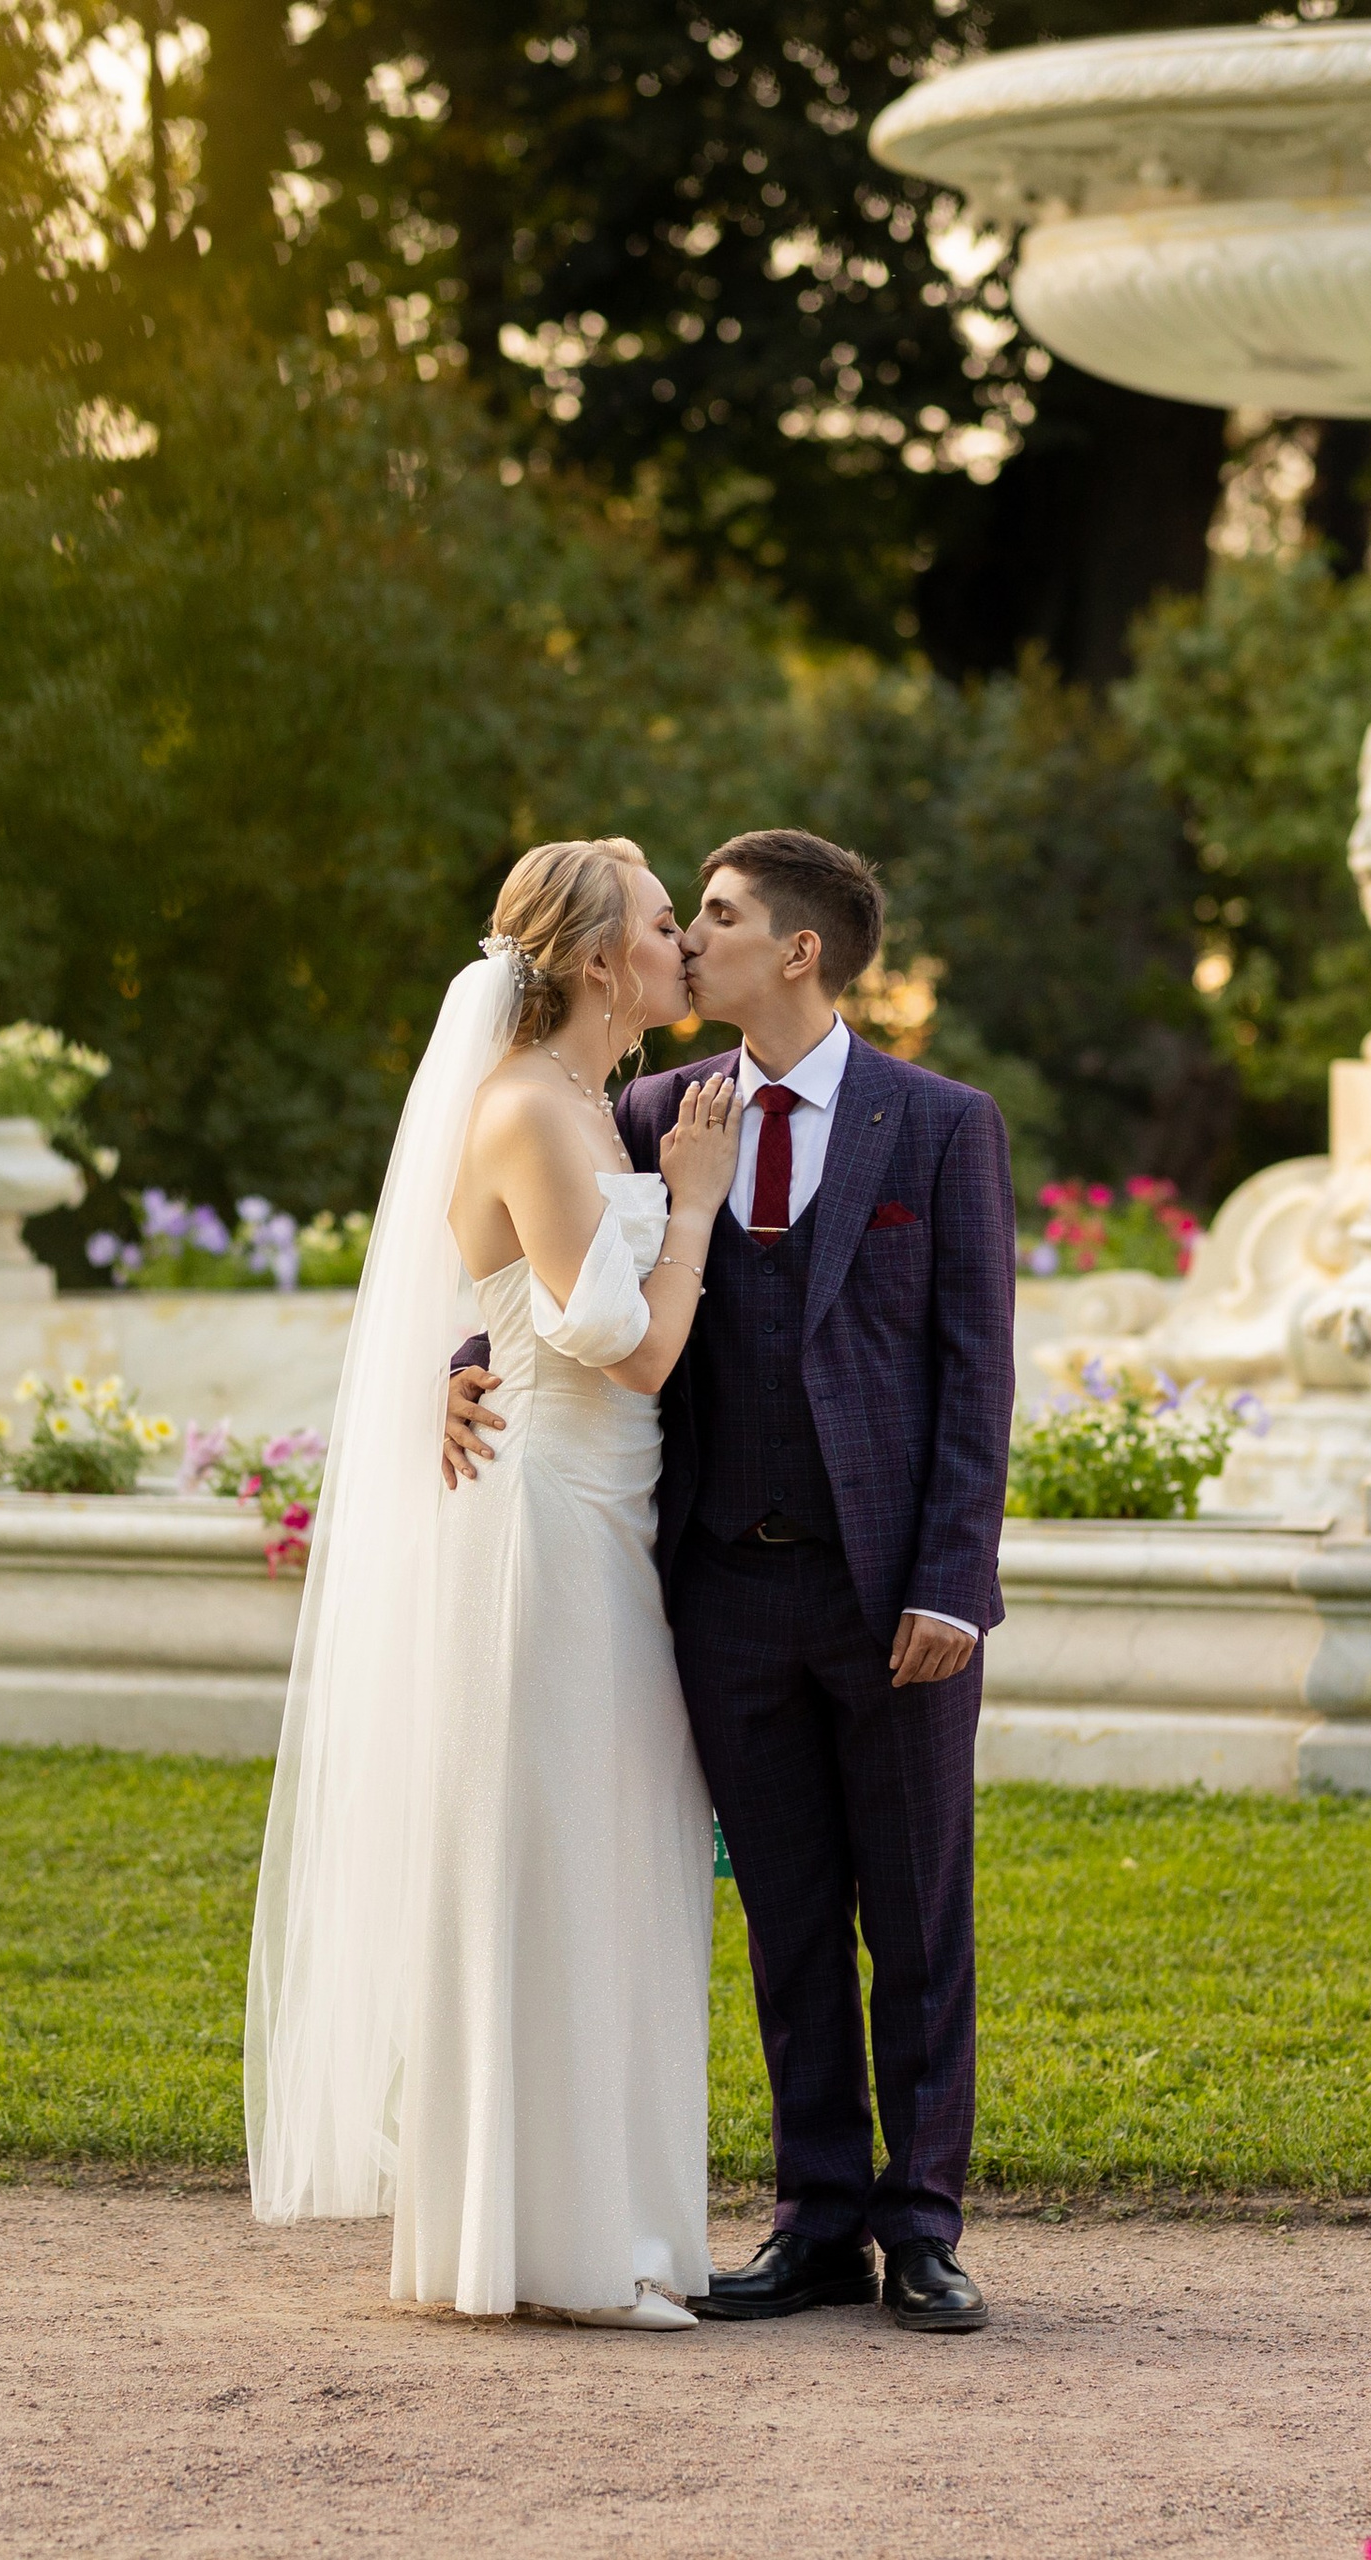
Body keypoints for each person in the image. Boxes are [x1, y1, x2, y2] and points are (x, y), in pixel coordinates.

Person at [445, 828, 1015, 2333]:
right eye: (680, 917)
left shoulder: (942, 1125)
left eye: (717, 918)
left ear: (800, 952)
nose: (688, 942)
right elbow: (540, 1267)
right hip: (714, 1586)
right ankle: (819, 2220)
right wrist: (463, 1363)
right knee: (781, 1917)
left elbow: (976, 1376)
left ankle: (927, 2224)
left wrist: (953, 1587)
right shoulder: (636, 1106)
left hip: (892, 1596)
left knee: (919, 1915)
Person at [246, 836, 740, 2326]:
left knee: (619, 1856)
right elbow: (631, 1344)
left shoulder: (591, 1102)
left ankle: (613, 2225)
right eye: (665, 927)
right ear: (601, 963)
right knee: (549, 1862)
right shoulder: (532, 1107)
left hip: (611, 1511)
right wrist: (697, 1198)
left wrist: (470, 1356)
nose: (683, 947)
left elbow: (486, 1304)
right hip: (542, 1523)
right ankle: (557, 2253)